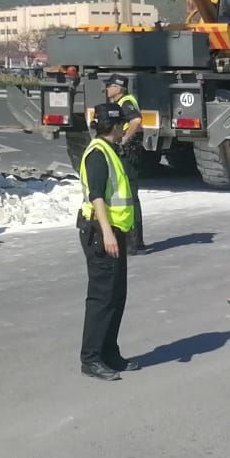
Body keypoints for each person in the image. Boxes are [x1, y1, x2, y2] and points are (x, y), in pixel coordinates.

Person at [77, 110, 133, 380]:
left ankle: (110, 353)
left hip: (113, 232)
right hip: (101, 233)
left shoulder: (110, 149)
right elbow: (97, 196)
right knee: (101, 298)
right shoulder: (98, 153)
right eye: (123, 124)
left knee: (116, 295)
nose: (126, 129)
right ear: (117, 126)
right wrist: (108, 233)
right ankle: (91, 358)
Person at [103, 77, 147, 253]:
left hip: (130, 152)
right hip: (129, 151)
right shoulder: (121, 102)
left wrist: (125, 139)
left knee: (130, 196)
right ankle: (132, 241)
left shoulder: (126, 102)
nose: (106, 88)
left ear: (119, 88)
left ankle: (135, 242)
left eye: (110, 86)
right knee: (128, 194)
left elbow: (136, 120)